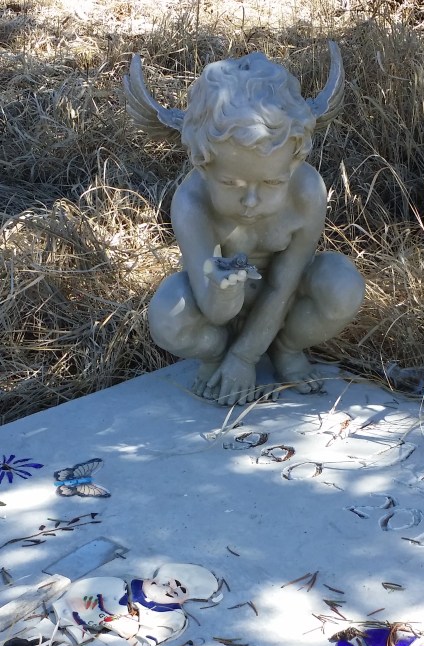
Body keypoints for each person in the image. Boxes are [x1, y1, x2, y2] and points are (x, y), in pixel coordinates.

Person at [124, 45, 365, 405]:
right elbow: (211, 305)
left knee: (343, 285)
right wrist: (223, 292)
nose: (250, 202)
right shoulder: (192, 204)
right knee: (167, 316)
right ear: (203, 167)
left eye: (271, 184)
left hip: (287, 301)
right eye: (231, 184)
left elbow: (286, 282)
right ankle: (216, 356)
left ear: (294, 163)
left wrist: (246, 357)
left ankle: (285, 348)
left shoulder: (306, 191)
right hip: (217, 316)